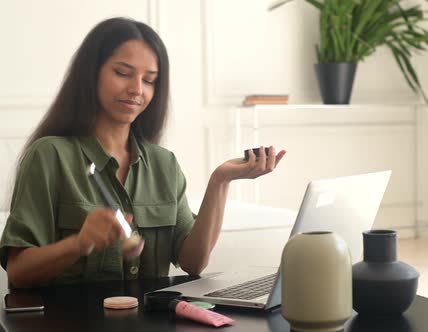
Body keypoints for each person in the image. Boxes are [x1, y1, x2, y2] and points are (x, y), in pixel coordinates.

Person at [0, 17, 286, 288]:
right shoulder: (50, 156)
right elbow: (19, 271)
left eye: (149, 80)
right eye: (123, 73)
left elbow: (194, 262)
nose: (137, 89)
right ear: (91, 74)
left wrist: (221, 181)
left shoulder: (164, 164)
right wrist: (80, 243)